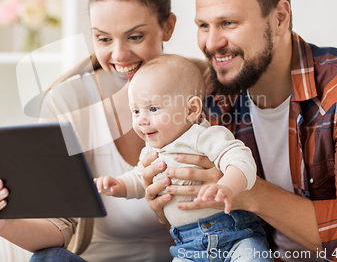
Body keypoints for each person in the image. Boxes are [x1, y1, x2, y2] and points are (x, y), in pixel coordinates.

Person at [142, 0, 337, 262]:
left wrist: (251, 192)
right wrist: (166, 202)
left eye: (228, 23)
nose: (211, 42)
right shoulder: (210, 96)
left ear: (280, 19)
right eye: (203, 25)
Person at [0, 0, 206, 262]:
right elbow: (59, 229)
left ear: (167, 26)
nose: (119, 55)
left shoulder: (204, 86)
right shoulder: (70, 102)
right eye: (103, 38)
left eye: (135, 36)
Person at [94, 54, 271, 261]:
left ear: (191, 110)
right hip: (189, 246)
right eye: (135, 110)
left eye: (153, 109)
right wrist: (118, 185)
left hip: (236, 236)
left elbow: (240, 159)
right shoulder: (150, 150)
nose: (141, 119)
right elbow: (139, 178)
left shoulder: (203, 136)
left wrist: (228, 187)